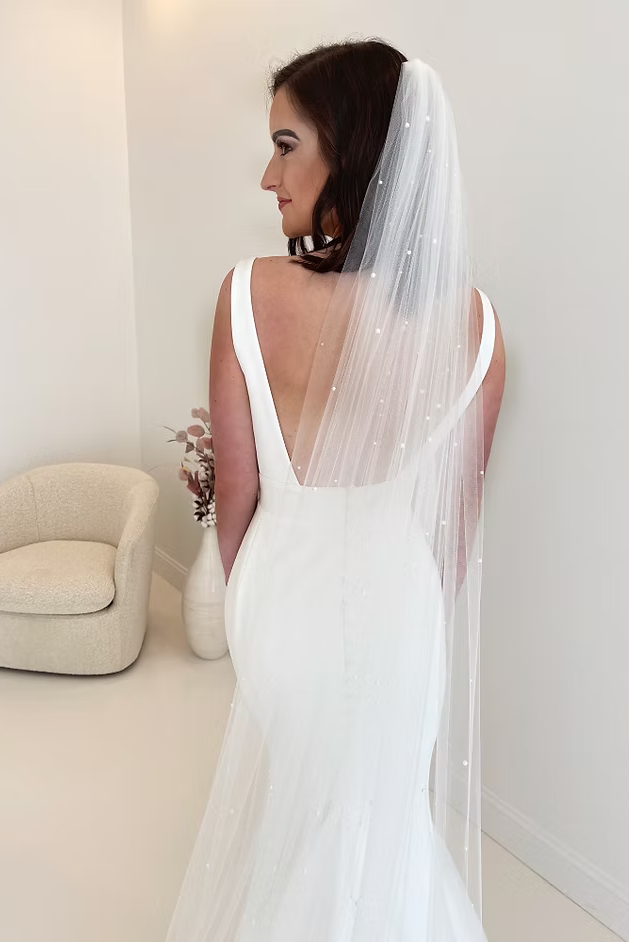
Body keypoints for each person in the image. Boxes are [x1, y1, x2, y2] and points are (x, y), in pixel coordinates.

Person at [166, 39, 506, 941]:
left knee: (317, 816)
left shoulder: (246, 294)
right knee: (377, 826)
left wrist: (246, 601)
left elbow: (235, 492)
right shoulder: (478, 328)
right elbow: (454, 528)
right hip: (406, 614)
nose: (268, 175)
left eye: (286, 144)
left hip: (285, 602)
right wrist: (412, 618)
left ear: (348, 150)